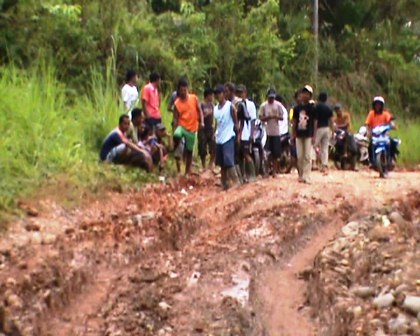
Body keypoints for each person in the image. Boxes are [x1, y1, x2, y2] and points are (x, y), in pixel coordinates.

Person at [173, 78, 204, 175]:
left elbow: (200, 111)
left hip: (192, 128)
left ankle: (187, 171)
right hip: (182, 126)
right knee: (177, 135)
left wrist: (201, 121)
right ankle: (176, 147)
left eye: (184, 90)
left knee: (190, 150)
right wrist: (175, 128)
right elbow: (175, 118)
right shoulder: (177, 103)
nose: (183, 92)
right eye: (181, 90)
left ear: (187, 89)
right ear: (178, 90)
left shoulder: (194, 98)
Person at [214, 85, 240, 189]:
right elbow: (217, 123)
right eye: (216, 94)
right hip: (219, 137)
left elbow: (236, 122)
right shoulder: (215, 108)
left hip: (228, 136)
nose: (218, 96)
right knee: (221, 163)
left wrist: (238, 136)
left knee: (229, 160)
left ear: (224, 94)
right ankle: (224, 183)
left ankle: (236, 181)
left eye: (219, 94)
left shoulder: (230, 106)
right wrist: (214, 133)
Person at [292, 85, 316, 183]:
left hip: (308, 134)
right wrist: (293, 133)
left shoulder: (312, 108)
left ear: (310, 96)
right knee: (300, 156)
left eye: (307, 93)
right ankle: (301, 174)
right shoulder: (297, 108)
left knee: (307, 155)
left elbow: (315, 122)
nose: (305, 95)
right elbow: (294, 121)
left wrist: (314, 135)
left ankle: (307, 175)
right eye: (303, 93)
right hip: (299, 133)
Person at [260, 89, 284, 175]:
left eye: (273, 98)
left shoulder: (278, 105)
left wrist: (275, 116)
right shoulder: (264, 106)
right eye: (270, 98)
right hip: (267, 132)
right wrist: (268, 117)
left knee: (276, 153)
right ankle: (267, 170)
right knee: (267, 153)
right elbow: (261, 117)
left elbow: (282, 117)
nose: (271, 99)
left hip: (276, 131)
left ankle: (274, 171)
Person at [236, 85, 257, 182]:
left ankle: (252, 175)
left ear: (245, 93)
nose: (240, 95)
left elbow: (253, 120)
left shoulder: (250, 105)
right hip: (238, 133)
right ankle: (242, 176)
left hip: (246, 133)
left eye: (242, 92)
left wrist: (252, 134)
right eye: (238, 93)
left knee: (246, 154)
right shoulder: (237, 104)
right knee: (239, 155)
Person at [314, 92, 333, 174]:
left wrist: (314, 131)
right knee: (325, 148)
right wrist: (332, 130)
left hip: (319, 128)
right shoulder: (328, 107)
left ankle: (313, 163)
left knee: (313, 145)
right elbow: (331, 120)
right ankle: (324, 165)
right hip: (327, 128)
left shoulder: (316, 107)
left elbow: (315, 120)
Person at [198, 88, 215, 169]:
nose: (213, 97)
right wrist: (207, 114)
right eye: (211, 95)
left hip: (210, 128)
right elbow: (198, 117)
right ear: (208, 95)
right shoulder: (201, 104)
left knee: (213, 146)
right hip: (202, 129)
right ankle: (203, 165)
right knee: (202, 147)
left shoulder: (212, 105)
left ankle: (210, 165)